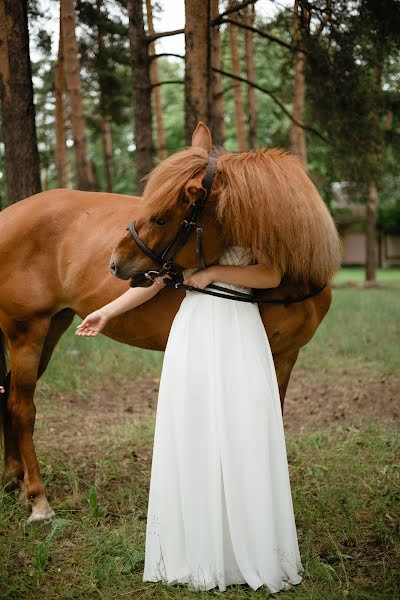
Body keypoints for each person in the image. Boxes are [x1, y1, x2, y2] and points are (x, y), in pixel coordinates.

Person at [76, 245, 304, 593]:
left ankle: (247, 544)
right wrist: (105, 312)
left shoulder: (250, 218)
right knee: (193, 433)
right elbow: (155, 282)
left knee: (243, 432)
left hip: (239, 330)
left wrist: (213, 273)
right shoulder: (190, 222)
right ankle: (192, 549)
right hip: (193, 329)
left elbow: (270, 274)